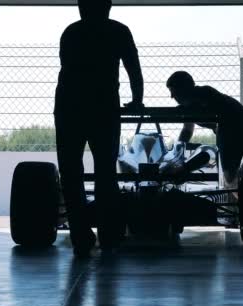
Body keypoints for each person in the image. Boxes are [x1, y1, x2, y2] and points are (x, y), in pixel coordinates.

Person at [54, 0, 144, 256]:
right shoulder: (118, 31)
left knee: (71, 173)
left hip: (69, 107)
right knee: (106, 172)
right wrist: (137, 100)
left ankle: (81, 235)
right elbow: (132, 68)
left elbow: (68, 66)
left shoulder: (71, 32)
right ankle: (109, 234)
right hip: (104, 108)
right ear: (108, 6)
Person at [166, 71, 243, 209]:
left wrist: (184, 112)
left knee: (234, 175)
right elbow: (187, 130)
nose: (172, 96)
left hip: (233, 128)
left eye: (174, 92)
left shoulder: (204, 94)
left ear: (185, 89)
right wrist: (178, 151)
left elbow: (202, 119)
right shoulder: (195, 102)